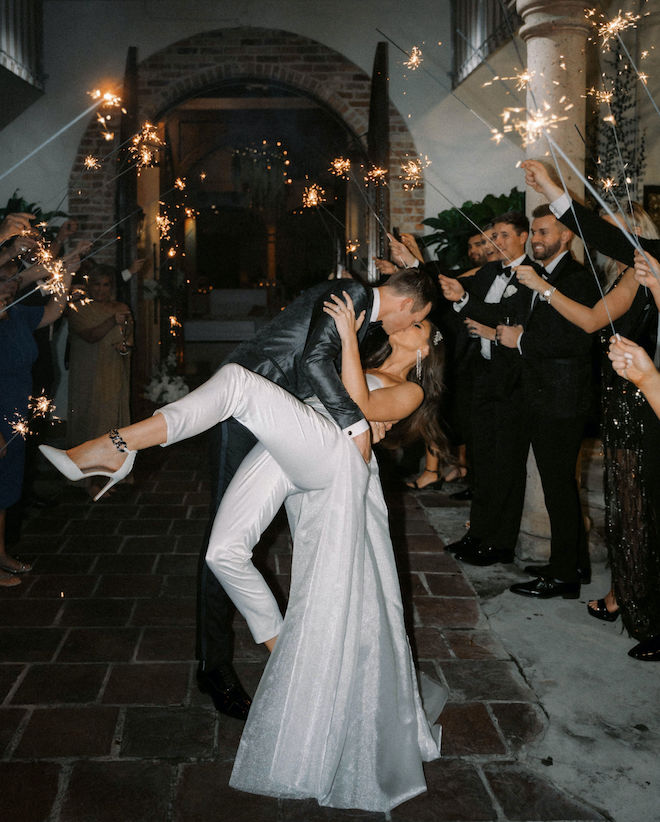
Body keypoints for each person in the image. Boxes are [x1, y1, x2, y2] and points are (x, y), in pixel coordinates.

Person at [40, 294, 446, 812]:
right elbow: (322, 385)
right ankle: (285, 648)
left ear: (426, 348)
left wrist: (345, 334)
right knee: (223, 551)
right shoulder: (367, 363)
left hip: (335, 454)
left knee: (235, 384)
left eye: (421, 326)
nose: (411, 325)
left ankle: (113, 448)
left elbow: (361, 410)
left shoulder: (410, 390)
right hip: (302, 436)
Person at [199, 269, 437, 718]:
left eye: (420, 329)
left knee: (336, 571)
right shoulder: (357, 317)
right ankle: (252, 661)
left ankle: (322, 668)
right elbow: (323, 376)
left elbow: (352, 398)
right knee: (251, 549)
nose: (409, 327)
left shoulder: (403, 378)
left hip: (322, 457)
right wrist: (356, 411)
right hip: (284, 437)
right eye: (419, 319)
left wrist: (359, 402)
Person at [522, 159, 660, 660]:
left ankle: (634, 599)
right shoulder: (633, 273)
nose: (609, 244)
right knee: (630, 507)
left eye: (619, 236)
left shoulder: (641, 272)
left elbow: (587, 321)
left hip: (642, 395)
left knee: (638, 507)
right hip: (624, 393)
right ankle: (625, 593)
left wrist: (555, 190)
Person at [496, 205, 599, 597]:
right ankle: (572, 564)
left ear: (566, 236)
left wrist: (521, 340)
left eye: (543, 232)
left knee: (559, 486)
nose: (535, 239)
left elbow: (576, 341)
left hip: (563, 396)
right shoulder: (544, 276)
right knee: (560, 485)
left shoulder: (575, 278)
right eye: (534, 233)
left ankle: (563, 576)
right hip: (545, 393)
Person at [438, 211, 534, 566]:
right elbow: (466, 300)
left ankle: (500, 543)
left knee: (506, 464)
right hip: (482, 375)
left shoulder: (531, 276)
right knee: (481, 461)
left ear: (523, 237)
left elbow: (504, 315)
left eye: (505, 235)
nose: (497, 243)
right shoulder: (490, 272)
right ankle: (477, 533)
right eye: (494, 236)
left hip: (513, 381)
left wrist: (465, 300)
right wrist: (456, 294)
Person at [0, 224, 77, 587]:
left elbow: (54, 310)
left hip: (15, 409)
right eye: (4, 284)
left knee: (6, 487)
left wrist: (70, 272)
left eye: (10, 285)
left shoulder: (15, 316)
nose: (9, 289)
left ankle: (0, 554)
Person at [66, 264, 133, 498]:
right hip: (88, 375)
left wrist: (123, 348)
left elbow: (128, 342)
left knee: (111, 426)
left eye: (106, 285)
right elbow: (90, 335)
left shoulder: (121, 308)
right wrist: (112, 321)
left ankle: (107, 477)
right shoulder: (78, 308)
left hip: (113, 372)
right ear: (88, 285)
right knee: (91, 424)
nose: (102, 290)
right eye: (97, 284)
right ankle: (90, 481)